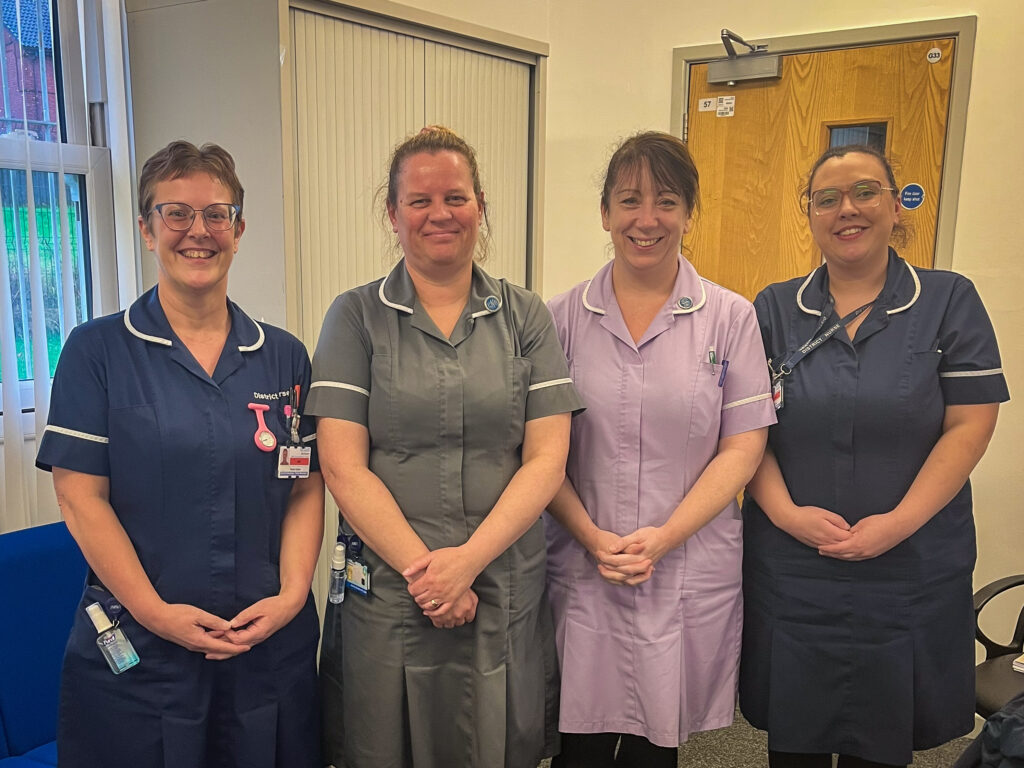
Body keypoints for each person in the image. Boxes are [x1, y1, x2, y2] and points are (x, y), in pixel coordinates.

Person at [36, 140, 324, 767]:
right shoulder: (97, 352)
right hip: (145, 650)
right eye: (176, 213)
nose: (199, 232)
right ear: (146, 229)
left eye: (218, 214)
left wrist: (294, 594)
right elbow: (80, 498)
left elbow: (303, 485)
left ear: (240, 229)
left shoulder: (283, 356)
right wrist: (155, 614)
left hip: (266, 644)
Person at [308, 126, 583, 768]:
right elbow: (343, 468)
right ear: (393, 213)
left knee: (497, 743)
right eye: (420, 200)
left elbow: (546, 459)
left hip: (501, 579)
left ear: (480, 206)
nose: (440, 214)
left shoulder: (524, 316)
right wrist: (429, 576)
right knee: (384, 744)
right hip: (391, 586)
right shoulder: (354, 318)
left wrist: (465, 565)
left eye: (456, 197)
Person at [740, 144, 1008, 768]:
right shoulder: (775, 309)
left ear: (895, 204)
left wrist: (898, 523)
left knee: (884, 743)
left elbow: (970, 424)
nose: (846, 210)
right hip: (795, 567)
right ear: (809, 214)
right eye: (826, 199)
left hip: (908, 564)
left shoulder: (947, 301)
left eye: (864, 192)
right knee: (796, 740)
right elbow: (743, 430)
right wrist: (784, 514)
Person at [544, 131, 776, 768]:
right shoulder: (558, 318)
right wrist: (592, 536)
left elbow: (743, 445)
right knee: (580, 745)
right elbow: (540, 452)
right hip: (584, 561)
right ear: (604, 214)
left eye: (666, 201)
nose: (646, 220)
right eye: (628, 201)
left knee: (657, 747)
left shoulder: (730, 317)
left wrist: (665, 536)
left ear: (689, 212)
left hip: (684, 563)